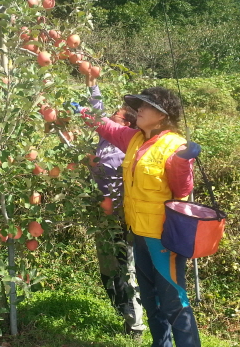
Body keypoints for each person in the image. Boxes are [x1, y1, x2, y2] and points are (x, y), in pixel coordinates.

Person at [77, 77, 202, 347]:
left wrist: (182, 161)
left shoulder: (173, 145)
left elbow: (182, 190)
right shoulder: (134, 139)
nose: (139, 110)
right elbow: (105, 126)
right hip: (138, 232)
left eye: (146, 106)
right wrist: (82, 111)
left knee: (174, 302)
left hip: (162, 237)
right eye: (140, 105)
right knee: (150, 300)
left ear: (161, 116)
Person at [80, 75, 146, 338]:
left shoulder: (126, 145)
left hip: (120, 215)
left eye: (115, 117)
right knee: (107, 267)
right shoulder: (107, 139)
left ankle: (136, 324)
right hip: (103, 215)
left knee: (125, 267)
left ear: (126, 124)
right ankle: (122, 312)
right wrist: (91, 84)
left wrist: (91, 160)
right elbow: (98, 114)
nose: (109, 119)